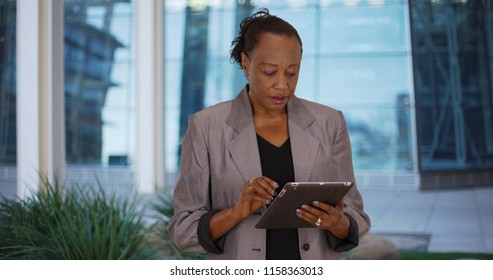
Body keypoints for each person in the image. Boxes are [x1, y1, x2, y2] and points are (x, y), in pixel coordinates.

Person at [167, 8, 371, 260]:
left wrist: (336, 222)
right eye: (269, 72)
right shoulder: (206, 127)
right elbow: (182, 230)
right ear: (245, 63)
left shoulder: (329, 122)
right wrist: (237, 211)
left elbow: (357, 219)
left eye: (291, 72)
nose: (282, 85)